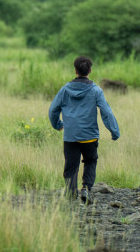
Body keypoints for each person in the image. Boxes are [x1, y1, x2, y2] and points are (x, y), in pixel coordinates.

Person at [49, 55, 120, 204]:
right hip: (89, 136)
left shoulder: (65, 90)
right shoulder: (96, 90)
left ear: (75, 70)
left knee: (71, 166)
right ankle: (86, 189)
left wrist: (58, 124)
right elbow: (106, 112)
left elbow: (53, 110)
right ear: (90, 70)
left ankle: (70, 194)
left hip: (70, 136)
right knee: (90, 161)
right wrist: (114, 131)